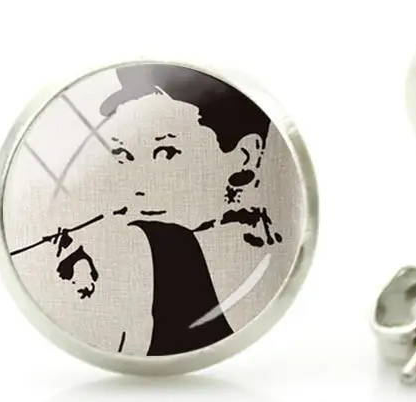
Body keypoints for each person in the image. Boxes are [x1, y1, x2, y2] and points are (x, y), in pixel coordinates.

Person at [40, 63, 280, 356]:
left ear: (245, 157)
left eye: (166, 153)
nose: (136, 184)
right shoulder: (132, 255)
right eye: (123, 155)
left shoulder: (256, 270)